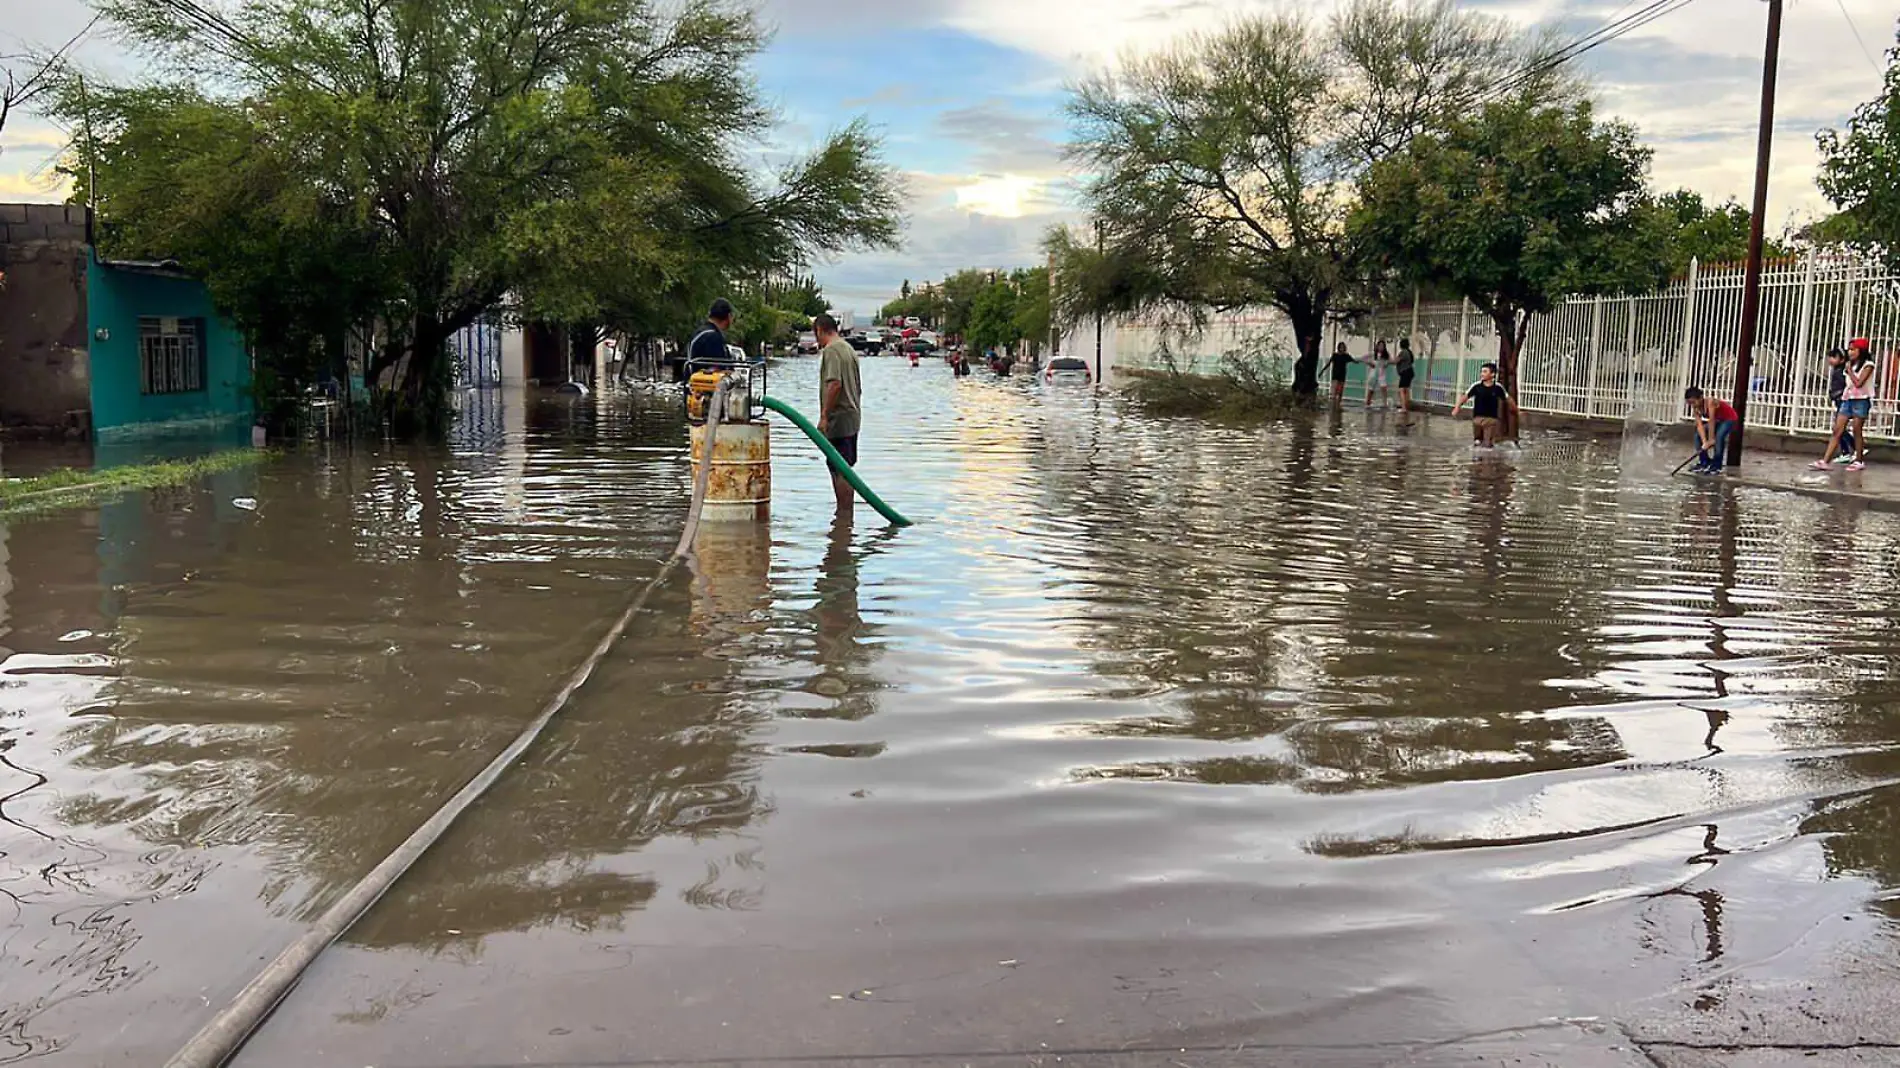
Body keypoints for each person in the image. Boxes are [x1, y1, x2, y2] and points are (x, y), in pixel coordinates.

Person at [814, 313, 863, 517]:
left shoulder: (832, 350)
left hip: (840, 418)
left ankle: (844, 515)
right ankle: (845, 521)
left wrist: (825, 416)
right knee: (844, 466)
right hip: (852, 415)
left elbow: (834, 384)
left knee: (839, 468)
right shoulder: (848, 349)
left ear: (819, 330)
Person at [1815, 337, 1874, 471]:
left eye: (1854, 350)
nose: (1851, 353)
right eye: (1850, 350)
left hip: (1861, 400)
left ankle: (1859, 460)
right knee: (1837, 429)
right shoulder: (1850, 364)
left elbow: (1859, 383)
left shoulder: (1868, 365)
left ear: (1861, 350)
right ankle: (1825, 461)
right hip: (1848, 399)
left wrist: (1850, 372)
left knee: (1857, 430)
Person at [1451, 362, 1514, 448]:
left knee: (1487, 445)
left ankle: (1487, 460)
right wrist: (1457, 408)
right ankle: (1477, 460)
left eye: (1485, 372)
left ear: (1492, 374)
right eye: (1482, 372)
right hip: (1477, 419)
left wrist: (1516, 410)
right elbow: (1465, 397)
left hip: (1491, 420)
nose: (1482, 374)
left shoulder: (1498, 387)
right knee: (1477, 442)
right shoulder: (1476, 386)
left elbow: (1508, 399)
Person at [1682, 386, 1739, 474]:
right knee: (1697, 435)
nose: (1692, 405)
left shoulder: (1710, 402)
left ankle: (1717, 465)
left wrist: (1711, 439)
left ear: (1701, 398)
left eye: (1693, 402)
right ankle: (1704, 462)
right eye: (1690, 403)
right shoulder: (1695, 408)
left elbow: (1711, 420)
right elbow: (1700, 426)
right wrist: (1705, 442)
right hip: (1719, 420)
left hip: (1729, 418)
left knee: (1719, 437)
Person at [1823, 347, 1857, 462]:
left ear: (1842, 360)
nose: (1830, 359)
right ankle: (1847, 451)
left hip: (1842, 400)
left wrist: (1837, 395)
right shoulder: (1837, 370)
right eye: (1830, 357)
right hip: (1838, 399)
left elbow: (1845, 386)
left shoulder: (1843, 371)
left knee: (1838, 428)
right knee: (1838, 428)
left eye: (1834, 357)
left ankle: (1854, 448)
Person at [686, 298, 736, 376]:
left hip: (692, 382)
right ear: (729, 316)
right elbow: (720, 368)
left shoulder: (700, 332)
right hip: (703, 385)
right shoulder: (713, 337)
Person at [1364, 339, 1391, 408]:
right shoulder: (1373, 354)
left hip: (1381, 374)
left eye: (1382, 346)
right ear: (1377, 346)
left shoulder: (1386, 355)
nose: (1381, 347)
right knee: (1371, 389)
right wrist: (1370, 364)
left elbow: (1390, 361)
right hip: (1373, 374)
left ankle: (1385, 403)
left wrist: (1386, 364)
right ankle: (1368, 402)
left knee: (1384, 388)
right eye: (1380, 346)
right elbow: (1365, 359)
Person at [1395, 338, 1417, 412]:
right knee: (1406, 390)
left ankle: (1403, 408)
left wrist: (1388, 361)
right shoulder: (1409, 352)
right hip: (1409, 372)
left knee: (1401, 390)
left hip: (1405, 372)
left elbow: (1396, 360)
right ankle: (1406, 407)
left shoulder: (1403, 352)